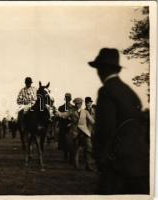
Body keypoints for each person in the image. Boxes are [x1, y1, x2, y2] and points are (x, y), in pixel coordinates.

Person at [89, 48, 149, 194]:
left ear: (103, 70)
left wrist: (99, 156)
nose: (98, 73)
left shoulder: (107, 91)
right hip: (140, 162)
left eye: (99, 69)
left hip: (117, 164)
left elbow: (105, 129)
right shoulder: (129, 92)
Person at [16, 77, 37, 150]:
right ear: (25, 83)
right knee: (21, 114)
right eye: (27, 83)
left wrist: (34, 102)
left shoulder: (34, 89)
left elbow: (37, 97)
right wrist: (23, 101)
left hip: (33, 105)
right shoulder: (22, 90)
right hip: (25, 105)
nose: (28, 84)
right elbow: (18, 100)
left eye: (29, 83)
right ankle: (21, 125)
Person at [57, 93, 75, 161]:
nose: (67, 100)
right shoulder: (61, 107)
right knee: (64, 142)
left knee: (71, 142)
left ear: (70, 99)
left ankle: (71, 157)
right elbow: (58, 118)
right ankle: (65, 156)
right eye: (66, 98)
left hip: (71, 127)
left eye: (68, 98)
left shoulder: (73, 107)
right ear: (65, 99)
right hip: (63, 127)